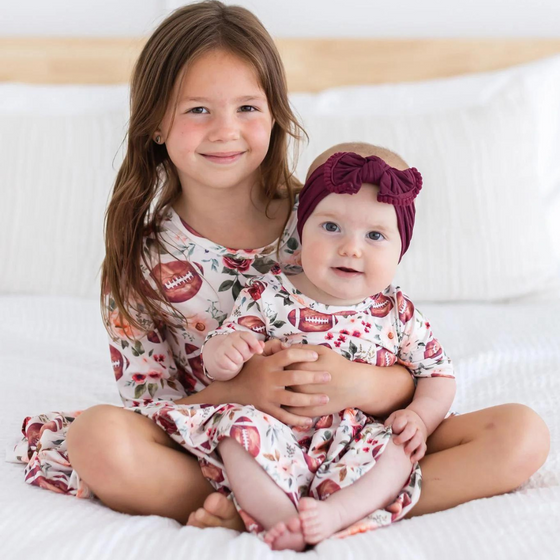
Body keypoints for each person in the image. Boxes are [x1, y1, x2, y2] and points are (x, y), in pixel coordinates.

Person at [12, 0, 549, 547]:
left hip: (358, 436)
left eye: (248, 107)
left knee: (521, 435)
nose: (226, 130)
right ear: (154, 122)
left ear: (275, 114)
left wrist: (361, 384)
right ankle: (268, 504)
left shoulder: (330, 218)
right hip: (234, 448)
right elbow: (152, 410)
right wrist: (243, 391)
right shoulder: (138, 264)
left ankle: (322, 511)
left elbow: (397, 343)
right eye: (198, 110)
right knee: (98, 439)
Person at [196, 143, 455, 549]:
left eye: (375, 235)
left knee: (400, 452)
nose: (351, 248)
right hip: (276, 429)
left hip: (357, 440)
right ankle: (280, 516)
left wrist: (419, 418)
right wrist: (225, 353)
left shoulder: (398, 313)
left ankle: (337, 513)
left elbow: (438, 375)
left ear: (400, 248)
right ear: (302, 229)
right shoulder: (268, 294)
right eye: (331, 227)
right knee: (233, 433)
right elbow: (217, 356)